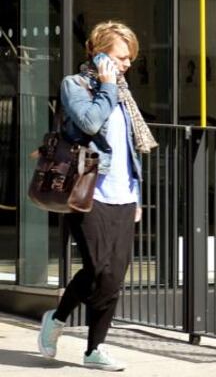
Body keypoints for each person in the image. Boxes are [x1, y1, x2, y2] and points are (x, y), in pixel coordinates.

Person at [37, 21, 158, 371]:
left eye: (130, 58)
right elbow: (89, 123)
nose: (128, 64)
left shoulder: (123, 93)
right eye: (122, 57)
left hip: (123, 194)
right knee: (98, 267)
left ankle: (94, 350)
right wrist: (106, 86)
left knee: (113, 277)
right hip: (87, 192)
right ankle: (57, 319)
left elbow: (130, 149)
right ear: (100, 53)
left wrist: (136, 195)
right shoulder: (76, 86)